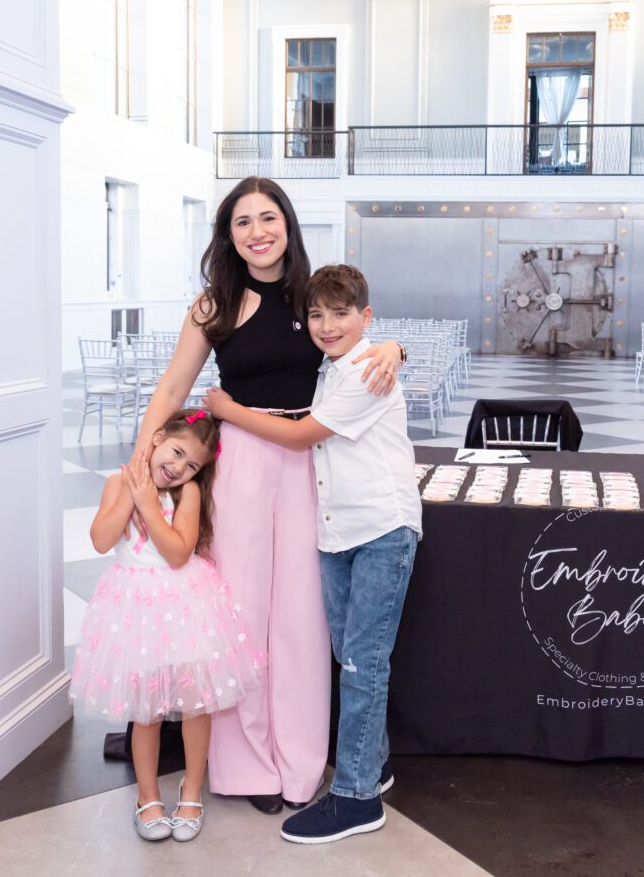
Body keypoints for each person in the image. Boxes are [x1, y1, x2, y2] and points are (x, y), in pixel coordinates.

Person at [132, 177, 404, 815]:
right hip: (242, 462)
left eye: (268, 217)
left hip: (312, 458)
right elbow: (175, 387)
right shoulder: (212, 305)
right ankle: (247, 763)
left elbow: (357, 341)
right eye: (243, 222)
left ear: (288, 224)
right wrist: (143, 456)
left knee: (303, 619)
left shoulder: (308, 295)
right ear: (228, 235)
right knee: (242, 612)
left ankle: (300, 762)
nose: (258, 232)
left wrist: (395, 344)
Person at [203, 263, 422, 844]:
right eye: (316, 315)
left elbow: (300, 436)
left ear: (366, 319)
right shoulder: (334, 367)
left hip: (380, 528)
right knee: (352, 654)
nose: (326, 325)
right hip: (341, 530)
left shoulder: (365, 375)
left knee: (362, 663)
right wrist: (397, 346)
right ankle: (373, 766)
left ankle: (355, 799)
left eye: (340, 314)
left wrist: (224, 410)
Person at [69, 409, 258, 843]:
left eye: (191, 464)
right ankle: (148, 796)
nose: (178, 468)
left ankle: (191, 791)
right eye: (175, 453)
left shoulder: (187, 493)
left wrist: (150, 504)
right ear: (155, 439)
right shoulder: (119, 482)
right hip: (134, 609)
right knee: (147, 710)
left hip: (186, 605)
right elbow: (101, 540)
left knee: (196, 703)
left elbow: (176, 554)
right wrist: (133, 494)